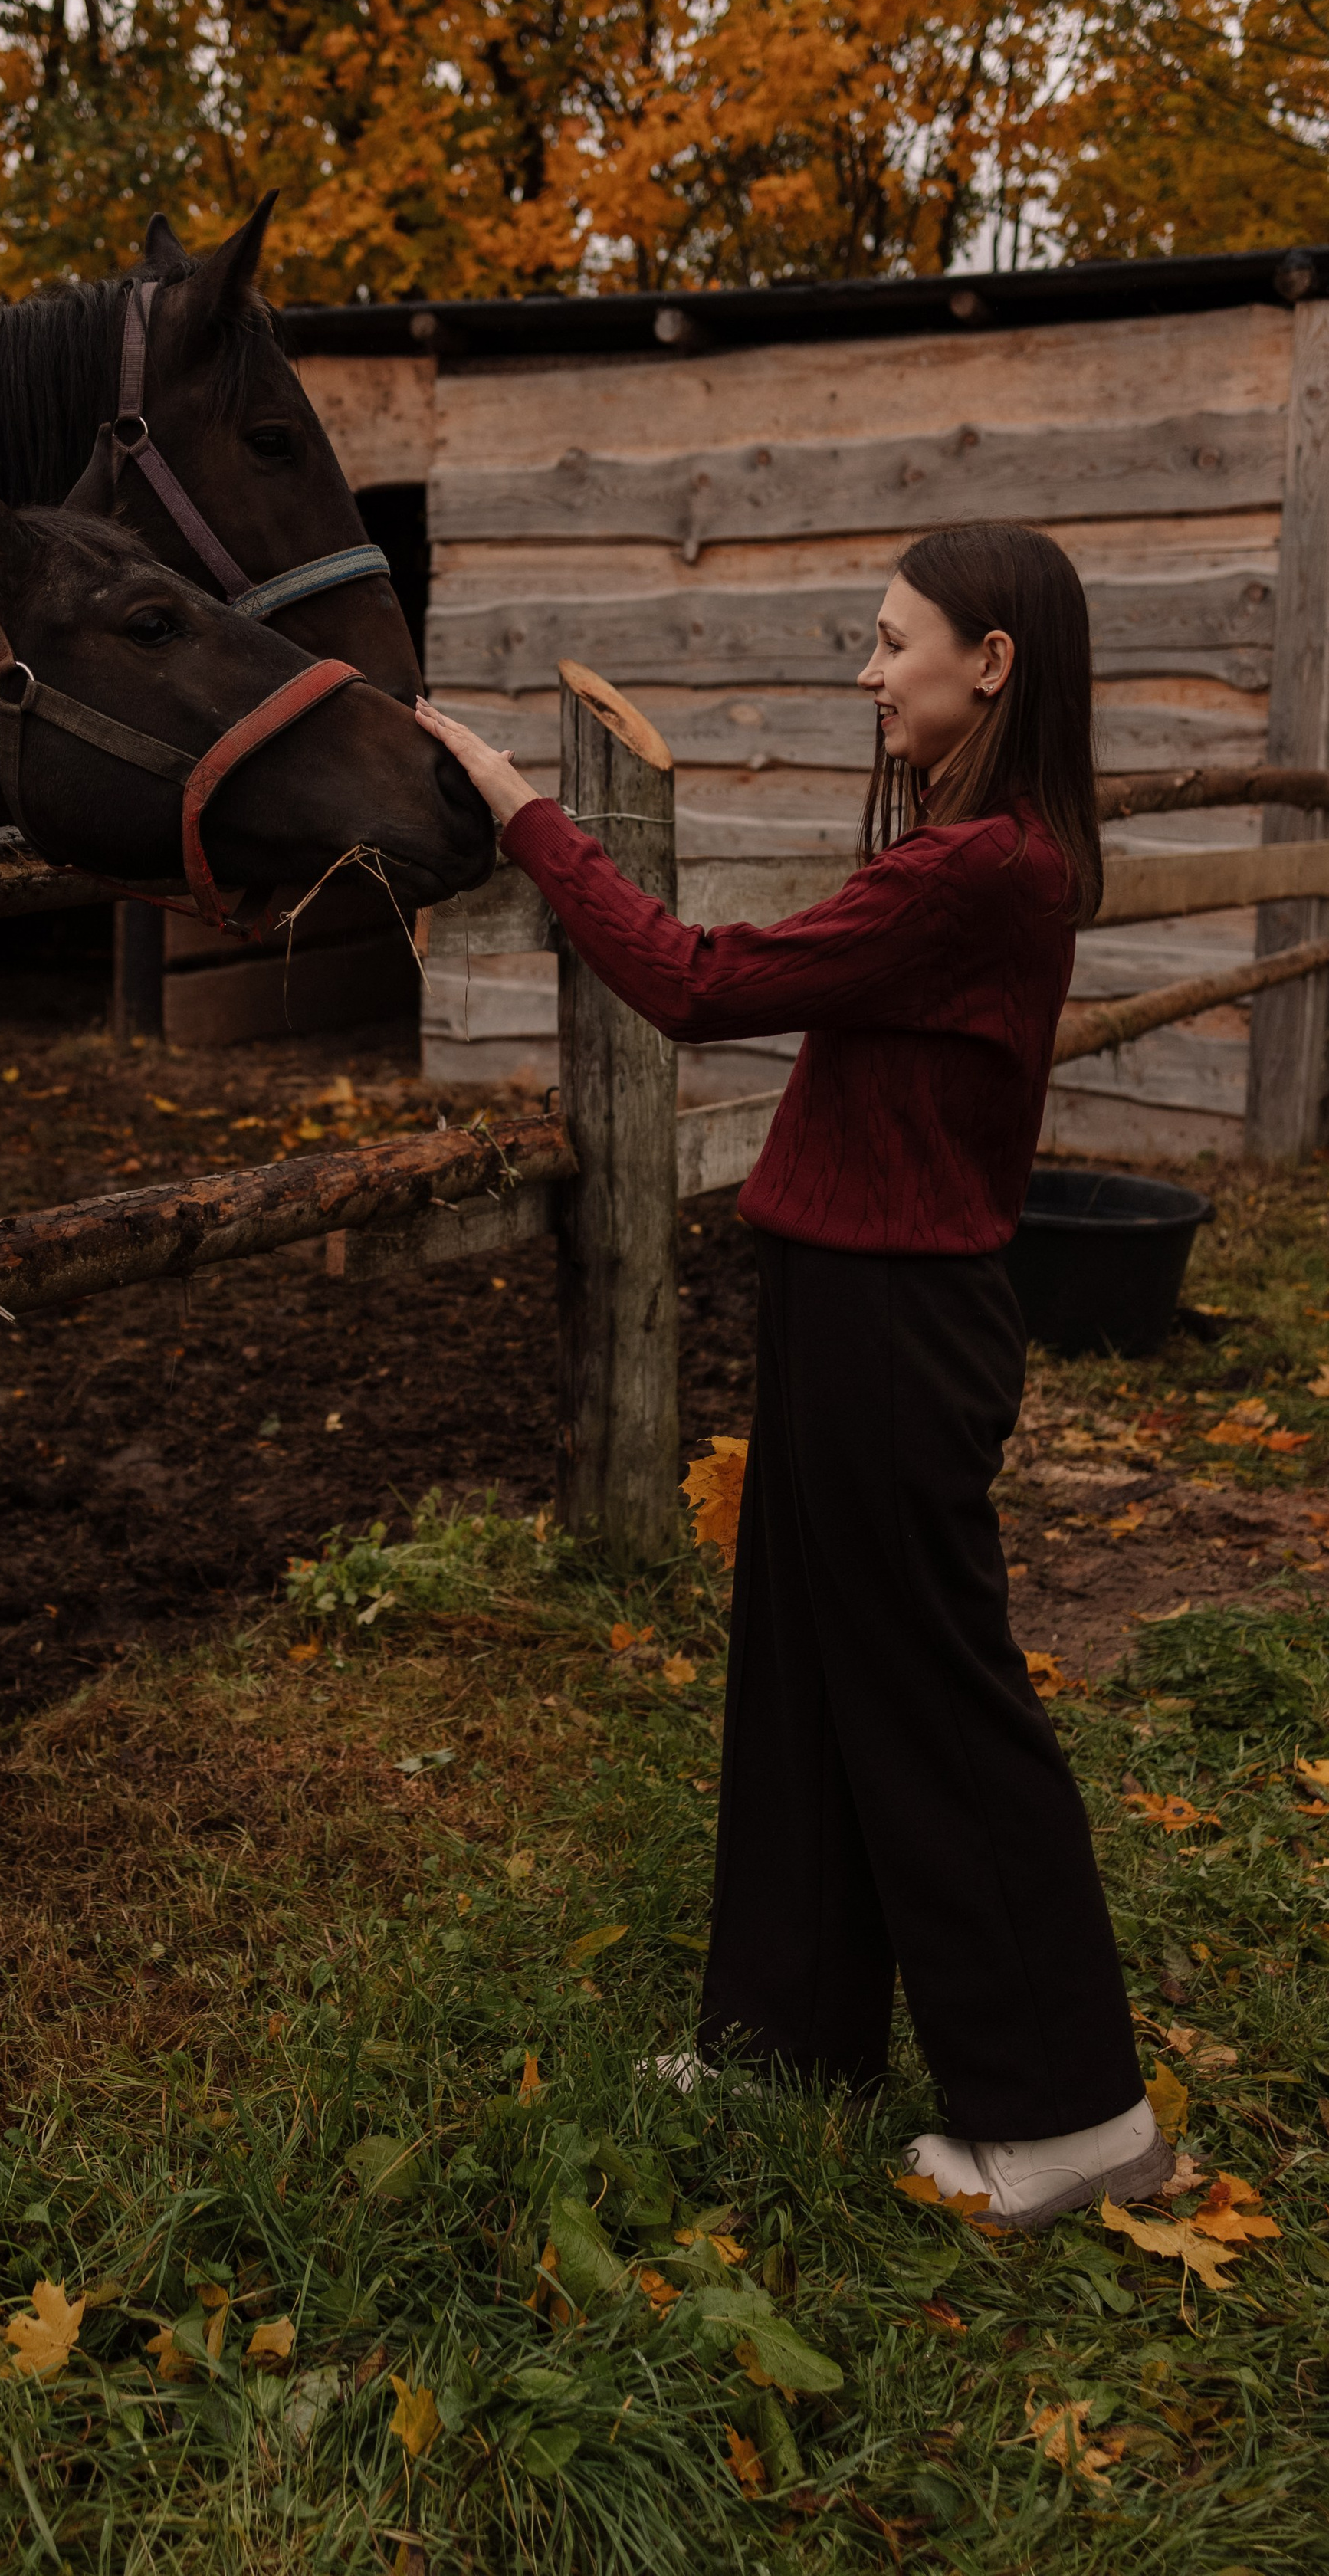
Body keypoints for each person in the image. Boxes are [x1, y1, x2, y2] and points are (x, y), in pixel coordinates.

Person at [416, 519, 1169, 2233]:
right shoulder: (967, 845)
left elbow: (696, 985)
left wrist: (524, 813)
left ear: (990, 661)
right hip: (848, 1298)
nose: (862, 667)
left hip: (902, 1330)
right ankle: (785, 2035)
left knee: (930, 1702)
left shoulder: (981, 867)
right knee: (804, 1677)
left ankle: (1067, 2115)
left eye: (891, 639)